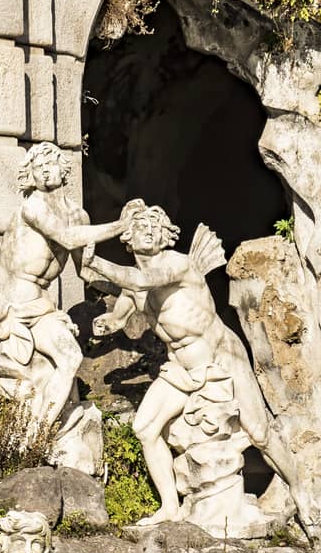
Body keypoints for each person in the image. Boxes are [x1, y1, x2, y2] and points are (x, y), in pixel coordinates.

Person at [85, 203, 307, 525]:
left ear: (166, 236)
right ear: (128, 238)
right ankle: (170, 508)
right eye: (141, 225)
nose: (149, 230)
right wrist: (104, 322)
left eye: (156, 225)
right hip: (180, 369)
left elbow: (139, 280)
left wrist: (94, 261)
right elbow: (119, 317)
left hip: (221, 358)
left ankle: (299, 488)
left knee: (259, 433)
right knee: (145, 428)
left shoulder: (177, 265)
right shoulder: (134, 291)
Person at [0, 142, 136, 433]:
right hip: (0, 297)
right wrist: (121, 226)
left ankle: (37, 434)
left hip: (38, 304)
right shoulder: (32, 206)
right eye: (38, 166)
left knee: (70, 356)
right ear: (30, 176)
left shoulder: (79, 217)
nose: (45, 170)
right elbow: (69, 239)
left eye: (51, 163)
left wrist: (125, 288)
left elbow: (85, 270)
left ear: (64, 169)